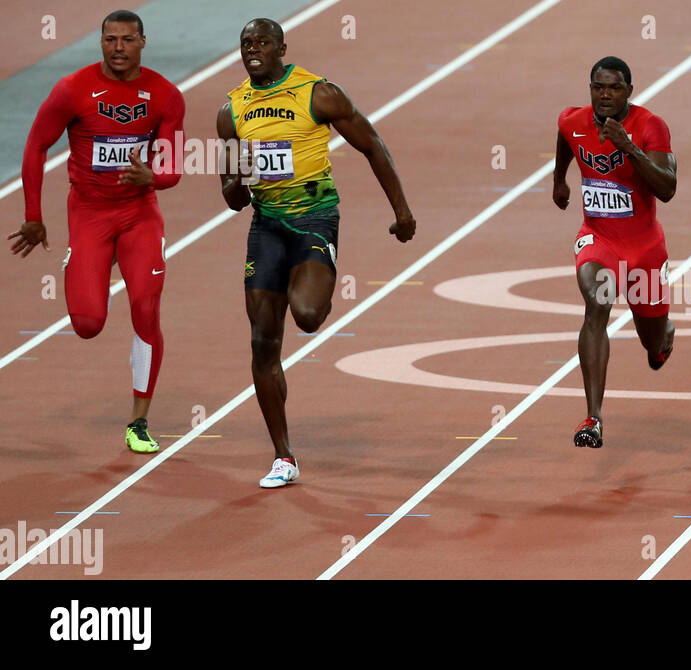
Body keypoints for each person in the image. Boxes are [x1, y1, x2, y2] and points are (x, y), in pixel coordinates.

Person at [217, 18, 416, 488]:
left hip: (313, 219)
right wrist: (240, 180)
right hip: (265, 227)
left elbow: (372, 145)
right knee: (263, 343)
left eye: (263, 42)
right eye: (246, 43)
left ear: (282, 47)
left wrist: (402, 211)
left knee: (306, 316)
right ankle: (283, 456)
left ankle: (305, 279)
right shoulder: (232, 110)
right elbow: (229, 196)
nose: (253, 49)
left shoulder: (318, 92)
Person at [9, 10, 184, 454]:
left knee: (146, 307)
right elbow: (35, 145)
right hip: (88, 212)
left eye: (127, 40)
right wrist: (34, 214)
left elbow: (173, 164)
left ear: (143, 42)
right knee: (87, 324)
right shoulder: (72, 89)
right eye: (110, 40)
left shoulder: (165, 96)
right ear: (101, 42)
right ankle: (85, 259)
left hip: (139, 214)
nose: (118, 48)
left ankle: (138, 422)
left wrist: (155, 179)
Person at [552, 56, 677, 449]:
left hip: (644, 249)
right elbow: (565, 140)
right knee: (596, 300)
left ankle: (663, 338)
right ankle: (594, 417)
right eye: (598, 87)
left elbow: (668, 188)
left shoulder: (650, 126)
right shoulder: (573, 121)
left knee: (652, 340)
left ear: (629, 91)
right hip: (599, 238)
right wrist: (559, 180)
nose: (605, 95)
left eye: (614, 88)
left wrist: (629, 148)